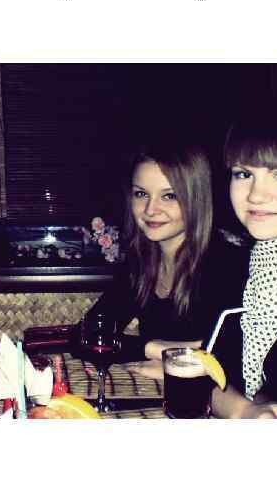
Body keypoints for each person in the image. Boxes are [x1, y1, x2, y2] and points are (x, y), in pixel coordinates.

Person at [81, 140, 249, 376]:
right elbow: (86, 336)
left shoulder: (229, 264)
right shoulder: (140, 263)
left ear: (196, 200)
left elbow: (232, 356)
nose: (150, 209)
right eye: (141, 194)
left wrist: (175, 362)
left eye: (169, 196)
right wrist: (156, 349)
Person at [211, 108, 277, 418]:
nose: (256, 196)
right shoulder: (238, 264)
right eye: (244, 174)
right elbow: (211, 370)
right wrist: (246, 411)